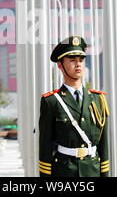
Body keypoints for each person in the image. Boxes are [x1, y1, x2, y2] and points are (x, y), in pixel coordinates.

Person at [38, 36, 109, 177]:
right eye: (72, 60)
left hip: (92, 170)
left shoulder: (98, 99)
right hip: (64, 170)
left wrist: (105, 174)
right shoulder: (51, 101)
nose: (78, 64)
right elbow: (45, 147)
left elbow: (104, 145)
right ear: (60, 65)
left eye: (81, 60)